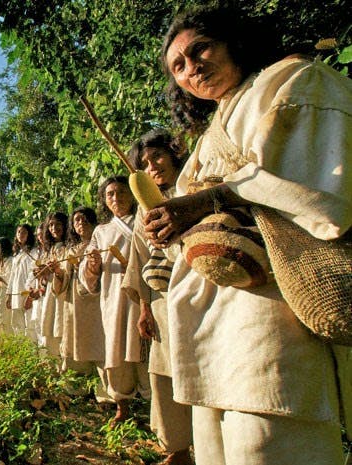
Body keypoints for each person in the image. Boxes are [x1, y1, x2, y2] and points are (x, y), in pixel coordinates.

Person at [141, 6, 351, 464]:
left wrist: (206, 200)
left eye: (201, 49)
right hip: (210, 321)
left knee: (269, 441)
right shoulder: (207, 136)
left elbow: (320, 194)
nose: (192, 68)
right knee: (220, 446)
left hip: (273, 312)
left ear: (233, 42)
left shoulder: (296, 81)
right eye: (178, 66)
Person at [122, 130, 193, 465]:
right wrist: (144, 308)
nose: (153, 167)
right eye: (145, 164)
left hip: (201, 296)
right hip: (163, 302)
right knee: (166, 371)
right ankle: (177, 448)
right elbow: (139, 257)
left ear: (175, 154)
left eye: (158, 157)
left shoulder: (196, 185)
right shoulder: (141, 210)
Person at [79, 176, 149, 425]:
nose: (116, 198)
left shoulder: (144, 220)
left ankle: (155, 405)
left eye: (120, 192)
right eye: (110, 194)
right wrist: (93, 265)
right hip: (114, 297)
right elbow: (86, 274)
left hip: (144, 294)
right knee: (116, 348)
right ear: (104, 200)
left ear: (131, 194)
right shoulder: (102, 231)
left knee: (146, 347)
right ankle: (123, 405)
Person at [51, 207, 105, 376]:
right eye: (77, 220)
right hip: (74, 303)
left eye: (84, 218)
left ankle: (104, 393)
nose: (81, 223)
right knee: (74, 341)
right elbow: (62, 283)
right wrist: (58, 273)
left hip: (98, 302)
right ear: (73, 226)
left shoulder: (103, 243)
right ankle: (77, 388)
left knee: (99, 341)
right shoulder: (71, 250)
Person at [36, 212, 69, 357]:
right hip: (51, 294)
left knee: (63, 326)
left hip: (66, 294)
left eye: (58, 224)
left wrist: (56, 271)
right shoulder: (51, 249)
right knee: (50, 326)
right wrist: (42, 273)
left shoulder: (71, 246)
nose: (54, 228)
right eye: (50, 225)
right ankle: (52, 365)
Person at [6, 225, 36, 339]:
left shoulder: (33, 252)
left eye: (24, 232)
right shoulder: (16, 255)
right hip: (15, 293)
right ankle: (20, 349)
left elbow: (33, 274)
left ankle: (31, 353)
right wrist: (9, 296)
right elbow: (12, 277)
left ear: (29, 235)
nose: (21, 235)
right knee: (17, 323)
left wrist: (30, 296)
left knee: (29, 324)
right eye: (18, 232)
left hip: (27, 292)